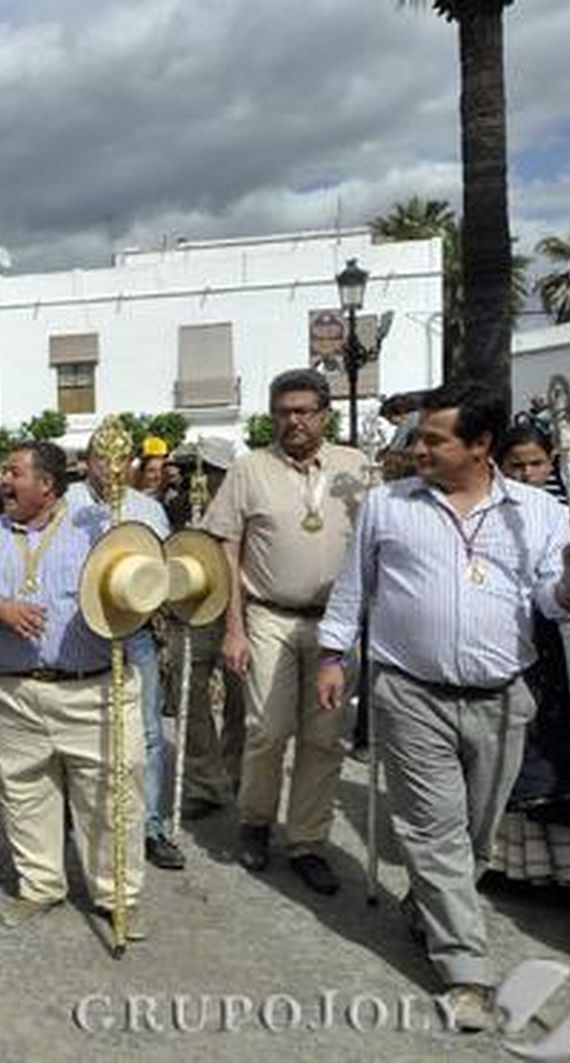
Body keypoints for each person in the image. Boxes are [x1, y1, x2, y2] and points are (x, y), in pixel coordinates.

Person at [318, 382, 570, 1031]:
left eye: (434, 440)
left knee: (476, 834)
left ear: (480, 444)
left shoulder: (536, 511)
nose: (419, 449)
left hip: (502, 696)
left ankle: (427, 906)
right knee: (434, 830)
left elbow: (550, 605)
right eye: (418, 437)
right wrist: (333, 655)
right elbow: (354, 588)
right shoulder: (387, 505)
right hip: (410, 692)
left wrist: (569, 581)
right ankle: (467, 971)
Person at [0, 440, 148, 934]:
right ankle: (40, 886)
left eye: (13, 472)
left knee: (110, 798)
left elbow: (141, 578)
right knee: (24, 794)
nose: (2, 480)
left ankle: (117, 897)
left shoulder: (96, 527)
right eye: (3, 470)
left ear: (46, 484)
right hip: (14, 692)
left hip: (92, 690)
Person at [204, 368, 365, 895]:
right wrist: (233, 628)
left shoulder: (356, 466)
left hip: (335, 624)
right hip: (268, 615)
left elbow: (375, 539)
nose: (293, 421)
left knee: (324, 737)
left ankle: (308, 842)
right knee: (266, 729)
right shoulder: (249, 469)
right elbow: (225, 548)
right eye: (282, 412)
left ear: (324, 415)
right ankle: (255, 821)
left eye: (303, 411)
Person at [65, 432, 182, 870]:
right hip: (80, 631)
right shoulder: (65, 504)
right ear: (87, 461)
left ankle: (149, 826)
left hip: (135, 630)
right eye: (102, 458)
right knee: (80, 728)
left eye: (121, 459)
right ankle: (77, 816)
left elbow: (163, 567)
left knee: (147, 730)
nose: (111, 467)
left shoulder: (148, 509)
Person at [489, 422, 570, 890]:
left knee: (560, 751)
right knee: (509, 752)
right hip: (507, 641)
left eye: (536, 463)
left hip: (563, 639)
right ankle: (506, 865)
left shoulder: (565, 510)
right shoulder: (487, 511)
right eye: (516, 465)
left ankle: (565, 870)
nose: (526, 473)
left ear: (552, 463)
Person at [162, 441, 246, 820]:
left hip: (239, 614)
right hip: (193, 614)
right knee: (190, 698)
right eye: (193, 469)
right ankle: (203, 781)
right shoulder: (177, 507)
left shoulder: (244, 506)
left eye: (209, 470)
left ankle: (236, 770)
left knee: (240, 700)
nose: (201, 478)